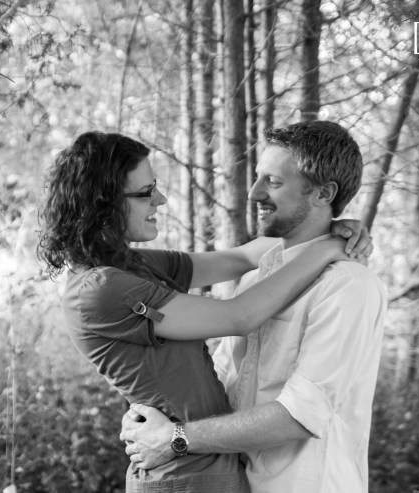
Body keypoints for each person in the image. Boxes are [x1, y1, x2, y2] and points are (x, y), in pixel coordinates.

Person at [37, 130, 372, 493]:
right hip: (182, 475)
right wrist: (325, 248)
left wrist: (328, 229)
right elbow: (238, 317)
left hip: (204, 465)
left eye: (155, 187)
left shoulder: (133, 265)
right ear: (102, 203)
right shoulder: (101, 288)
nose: (160, 199)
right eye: (145, 192)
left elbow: (239, 258)